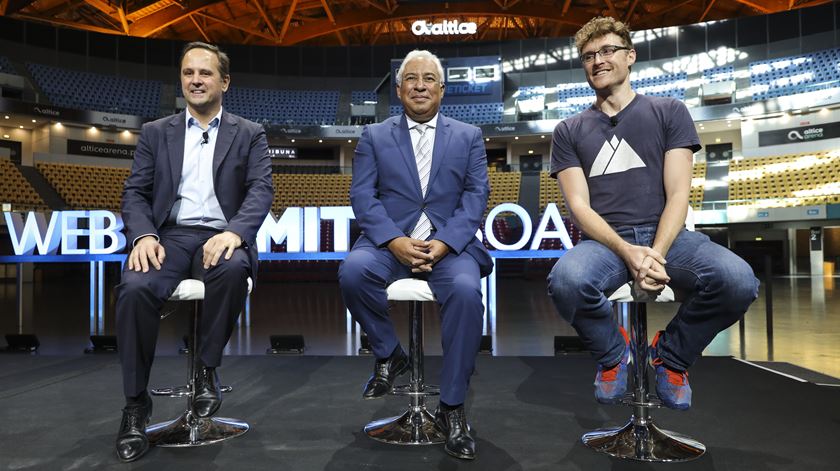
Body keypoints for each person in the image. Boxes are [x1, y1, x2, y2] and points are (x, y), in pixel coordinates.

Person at [547, 17, 759, 411]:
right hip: (606, 243)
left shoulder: (668, 111)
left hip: (670, 238)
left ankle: (671, 356)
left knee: (738, 281)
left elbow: (679, 193)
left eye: (607, 51)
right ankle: (615, 355)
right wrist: (629, 252)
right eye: (589, 56)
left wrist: (655, 254)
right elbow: (578, 206)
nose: (598, 61)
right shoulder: (569, 129)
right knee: (566, 281)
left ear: (630, 56)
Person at [114, 41, 273, 462]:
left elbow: (261, 190)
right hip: (170, 236)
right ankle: (135, 405)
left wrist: (236, 233)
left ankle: (206, 368)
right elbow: (135, 193)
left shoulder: (250, 132)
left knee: (232, 269)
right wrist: (144, 236)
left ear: (224, 81)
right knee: (133, 288)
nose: (196, 80)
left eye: (205, 73)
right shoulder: (154, 132)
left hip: (223, 234)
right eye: (188, 73)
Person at [338, 50, 492, 460]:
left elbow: (476, 197)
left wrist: (444, 242)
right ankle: (390, 354)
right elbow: (363, 196)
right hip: (389, 244)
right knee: (353, 272)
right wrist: (393, 241)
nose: (420, 85)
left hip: (449, 245)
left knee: (464, 290)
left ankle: (454, 408)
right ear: (399, 88)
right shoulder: (373, 136)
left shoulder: (469, 136)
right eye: (411, 78)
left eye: (428, 79)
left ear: (442, 90)